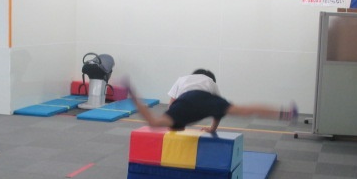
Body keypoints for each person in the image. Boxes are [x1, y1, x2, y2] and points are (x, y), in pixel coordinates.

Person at [127, 68, 298, 132]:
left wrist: (133, 95)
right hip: (200, 98)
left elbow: (172, 102)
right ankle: (286, 113)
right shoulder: (209, 81)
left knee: (155, 122)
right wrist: (212, 128)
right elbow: (217, 111)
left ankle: (285, 113)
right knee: (245, 110)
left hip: (185, 102)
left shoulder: (182, 80)